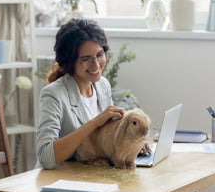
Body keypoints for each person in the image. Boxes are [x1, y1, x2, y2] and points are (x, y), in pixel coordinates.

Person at [36, 18, 150, 169]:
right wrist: (94, 123)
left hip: (93, 176)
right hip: (60, 178)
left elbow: (107, 140)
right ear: (70, 62)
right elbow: (46, 157)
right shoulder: (53, 94)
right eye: (86, 59)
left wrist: (132, 142)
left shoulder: (102, 85)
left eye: (99, 54)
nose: (96, 64)